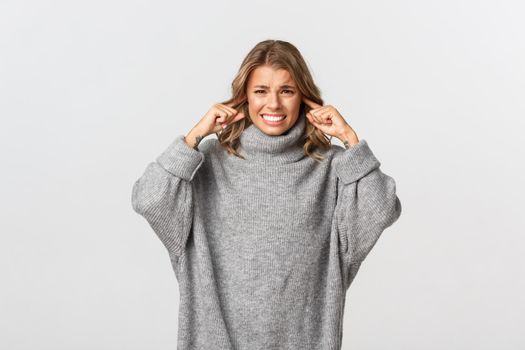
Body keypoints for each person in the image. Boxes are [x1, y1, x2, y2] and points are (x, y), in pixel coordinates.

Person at [131, 39, 402, 350]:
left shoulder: (333, 167)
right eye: (261, 91)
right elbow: (149, 198)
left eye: (286, 91)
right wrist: (193, 137)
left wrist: (350, 141)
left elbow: (382, 208)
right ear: (243, 97)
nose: (273, 104)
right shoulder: (207, 163)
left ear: (304, 97)